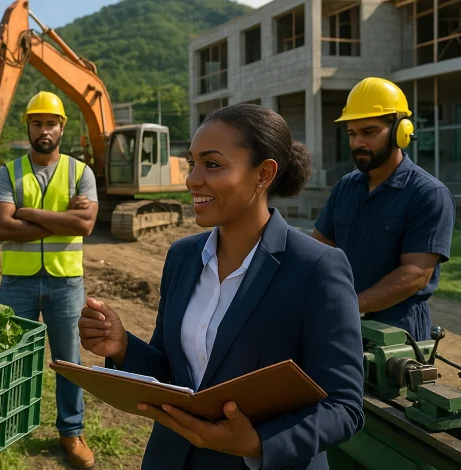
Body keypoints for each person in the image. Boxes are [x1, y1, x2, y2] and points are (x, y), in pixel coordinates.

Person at [79, 103, 365, 469]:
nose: (192, 179)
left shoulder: (317, 268)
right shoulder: (183, 256)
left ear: (263, 174)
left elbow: (343, 407)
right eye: (192, 163)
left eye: (212, 165)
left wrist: (259, 443)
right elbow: (172, 372)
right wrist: (122, 347)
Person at [0, 91, 99, 468]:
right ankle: (6, 428)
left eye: (51, 123)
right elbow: (1, 227)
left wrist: (31, 213)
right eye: (37, 123)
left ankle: (72, 433)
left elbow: (85, 224)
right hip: (17, 282)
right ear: (29, 128)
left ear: (62, 127)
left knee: (69, 361)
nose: (44, 129)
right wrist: (60, 221)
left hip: (65, 283)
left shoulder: (81, 172)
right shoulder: (8, 171)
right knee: (11, 357)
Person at [312, 77, 455, 341]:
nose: (357, 143)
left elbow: (415, 275)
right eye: (352, 134)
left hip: (397, 331)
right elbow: (318, 250)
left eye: (368, 132)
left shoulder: (428, 194)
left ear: (400, 132)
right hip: (342, 321)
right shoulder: (346, 186)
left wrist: (348, 306)